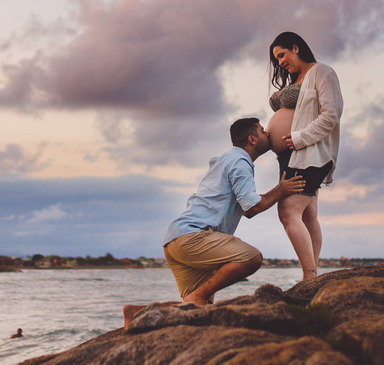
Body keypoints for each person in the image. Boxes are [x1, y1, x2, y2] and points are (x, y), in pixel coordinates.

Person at [122, 117, 304, 329]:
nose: (268, 133)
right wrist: (280, 191)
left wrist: (274, 193)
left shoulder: (226, 160)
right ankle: (197, 294)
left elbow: (247, 206)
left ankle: (138, 313)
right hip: (194, 237)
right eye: (263, 130)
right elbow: (252, 208)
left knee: (198, 311)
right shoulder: (240, 162)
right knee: (252, 258)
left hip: (175, 241)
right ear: (252, 139)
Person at [266, 31, 342, 281]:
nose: (280, 62)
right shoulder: (296, 78)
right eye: (276, 59)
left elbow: (332, 114)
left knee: (288, 212)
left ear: (295, 47)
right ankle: (314, 274)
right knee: (308, 216)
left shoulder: (321, 72)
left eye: (282, 55)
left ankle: (309, 277)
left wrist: (299, 138)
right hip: (291, 156)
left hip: (309, 153)